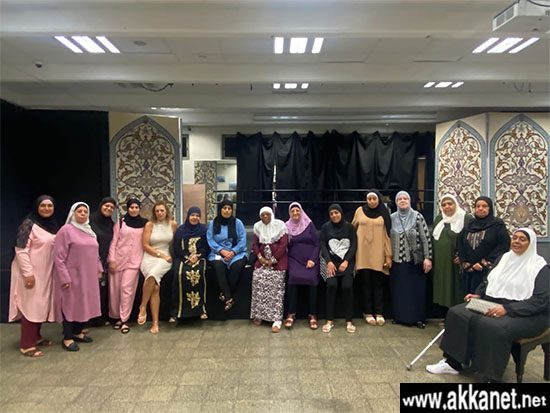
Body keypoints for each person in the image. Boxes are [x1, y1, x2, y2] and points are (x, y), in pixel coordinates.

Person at [427, 228, 548, 382]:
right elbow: (488, 280)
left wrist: (507, 309)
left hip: (527, 314)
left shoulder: (539, 267)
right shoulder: (504, 259)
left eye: (522, 239)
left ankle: (491, 376)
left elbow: (540, 301)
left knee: (494, 326)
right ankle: (452, 363)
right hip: (494, 303)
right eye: (515, 238)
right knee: (457, 313)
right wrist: (478, 294)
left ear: (531, 244)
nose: (517, 241)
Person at [9, 195, 59, 357]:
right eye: (43, 206)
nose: (46, 209)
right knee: (30, 306)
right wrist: (28, 273)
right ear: (37, 207)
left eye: (50, 206)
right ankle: (27, 344)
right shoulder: (29, 224)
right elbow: (21, 249)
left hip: (46, 273)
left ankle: (36, 337)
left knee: (40, 305)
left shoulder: (52, 226)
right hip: (30, 273)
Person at [54, 202, 103, 351]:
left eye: (85, 211)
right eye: (79, 211)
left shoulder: (89, 231)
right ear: (73, 213)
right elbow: (59, 257)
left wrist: (99, 270)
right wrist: (64, 277)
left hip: (89, 275)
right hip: (73, 276)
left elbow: (95, 254)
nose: (82, 213)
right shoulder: (66, 230)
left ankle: (78, 332)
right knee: (70, 305)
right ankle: (67, 338)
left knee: (83, 304)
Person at [390, 191, 432, 328]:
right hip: (398, 261)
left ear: (409, 201)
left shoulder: (417, 216)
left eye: (405, 198)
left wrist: (428, 257)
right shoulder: (392, 218)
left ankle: (418, 318)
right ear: (396, 202)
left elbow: (425, 238)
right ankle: (400, 317)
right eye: (399, 199)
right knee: (400, 290)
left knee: (416, 291)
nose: (402, 201)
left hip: (414, 262)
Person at [352, 190, 392, 326]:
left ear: (378, 199)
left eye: (374, 199)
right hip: (362, 253)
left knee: (378, 284)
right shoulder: (359, 211)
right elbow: (353, 229)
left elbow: (387, 235)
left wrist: (388, 255)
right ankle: (367, 312)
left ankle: (379, 312)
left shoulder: (384, 213)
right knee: (365, 283)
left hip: (378, 253)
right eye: (369, 199)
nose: (372, 201)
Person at [107, 198, 147, 333]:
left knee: (126, 289)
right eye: (131, 207)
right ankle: (116, 317)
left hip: (134, 261)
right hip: (118, 260)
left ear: (139, 209)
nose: (134, 210)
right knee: (115, 290)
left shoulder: (145, 224)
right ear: (127, 208)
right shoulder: (120, 223)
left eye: (136, 207)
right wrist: (111, 259)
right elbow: (114, 242)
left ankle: (124, 319)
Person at [138, 201, 177, 334]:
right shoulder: (149, 225)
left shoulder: (172, 224)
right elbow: (145, 245)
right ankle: (154, 322)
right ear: (154, 213)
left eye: (162, 210)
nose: (159, 213)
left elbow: (174, 243)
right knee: (155, 287)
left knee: (153, 275)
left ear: (166, 211)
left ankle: (142, 306)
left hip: (165, 258)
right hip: (150, 256)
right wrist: (160, 255)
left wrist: (171, 257)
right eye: (157, 211)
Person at [457, 196, 510, 295]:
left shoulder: (497, 224)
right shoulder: (469, 224)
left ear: (490, 208)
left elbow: (503, 246)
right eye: (478, 206)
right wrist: (465, 262)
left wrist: (483, 263)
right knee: (468, 298)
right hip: (469, 271)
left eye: (484, 206)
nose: (480, 208)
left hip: (488, 271)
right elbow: (460, 242)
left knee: (484, 298)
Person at [320, 204, 358, 334]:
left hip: (346, 263)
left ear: (341, 213)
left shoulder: (349, 227)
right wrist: (329, 262)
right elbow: (323, 245)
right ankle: (329, 320)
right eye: (331, 213)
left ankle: (349, 321)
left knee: (347, 287)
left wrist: (346, 261)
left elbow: (353, 245)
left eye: (336, 212)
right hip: (331, 263)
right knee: (331, 286)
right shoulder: (325, 227)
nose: (334, 215)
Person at [250, 206, 288, 333]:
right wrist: (260, 258)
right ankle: (259, 314)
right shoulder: (257, 226)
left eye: (267, 214)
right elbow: (255, 244)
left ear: (272, 215)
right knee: (258, 281)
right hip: (262, 262)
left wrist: (272, 260)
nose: (265, 217)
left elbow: (283, 245)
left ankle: (276, 319)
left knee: (276, 289)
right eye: (262, 215)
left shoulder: (280, 225)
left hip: (277, 262)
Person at [431, 194, 472, 310]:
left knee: (457, 288)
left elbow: (471, 239)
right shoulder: (439, 219)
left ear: (456, 204)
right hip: (441, 261)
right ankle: (446, 313)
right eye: (444, 205)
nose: (447, 207)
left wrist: (463, 256)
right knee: (444, 287)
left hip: (457, 261)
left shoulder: (465, 218)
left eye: (450, 204)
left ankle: (458, 313)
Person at [284, 202, 320, 330]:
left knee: (312, 279)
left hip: (310, 260)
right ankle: (291, 313)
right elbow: (285, 245)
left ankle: (312, 314)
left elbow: (317, 244)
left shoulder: (309, 224)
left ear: (301, 211)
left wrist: (313, 259)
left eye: (297, 210)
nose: (295, 213)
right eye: (292, 211)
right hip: (294, 259)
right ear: (289, 213)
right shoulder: (286, 226)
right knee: (293, 277)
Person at [206, 199, 247, 311]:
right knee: (219, 266)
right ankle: (229, 298)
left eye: (229, 208)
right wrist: (221, 250)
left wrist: (233, 252)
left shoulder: (238, 223)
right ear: (220, 209)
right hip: (218, 253)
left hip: (236, 253)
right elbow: (210, 240)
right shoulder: (213, 223)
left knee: (238, 266)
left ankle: (224, 293)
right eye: (224, 208)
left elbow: (242, 241)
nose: (227, 210)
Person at [171, 206, 209, 320]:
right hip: (182, 258)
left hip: (199, 258)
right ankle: (177, 312)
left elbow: (206, 247)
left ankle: (200, 310)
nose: (195, 217)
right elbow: (177, 248)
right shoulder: (180, 230)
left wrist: (198, 256)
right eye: (192, 215)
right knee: (179, 274)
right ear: (188, 216)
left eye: (197, 216)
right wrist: (187, 257)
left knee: (200, 272)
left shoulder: (203, 230)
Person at [89, 197, 117, 326]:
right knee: (90, 290)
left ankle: (100, 317)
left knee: (102, 289)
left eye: (111, 207)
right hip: (90, 260)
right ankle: (86, 319)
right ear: (101, 205)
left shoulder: (111, 224)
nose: (109, 208)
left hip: (104, 260)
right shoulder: (90, 220)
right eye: (106, 205)